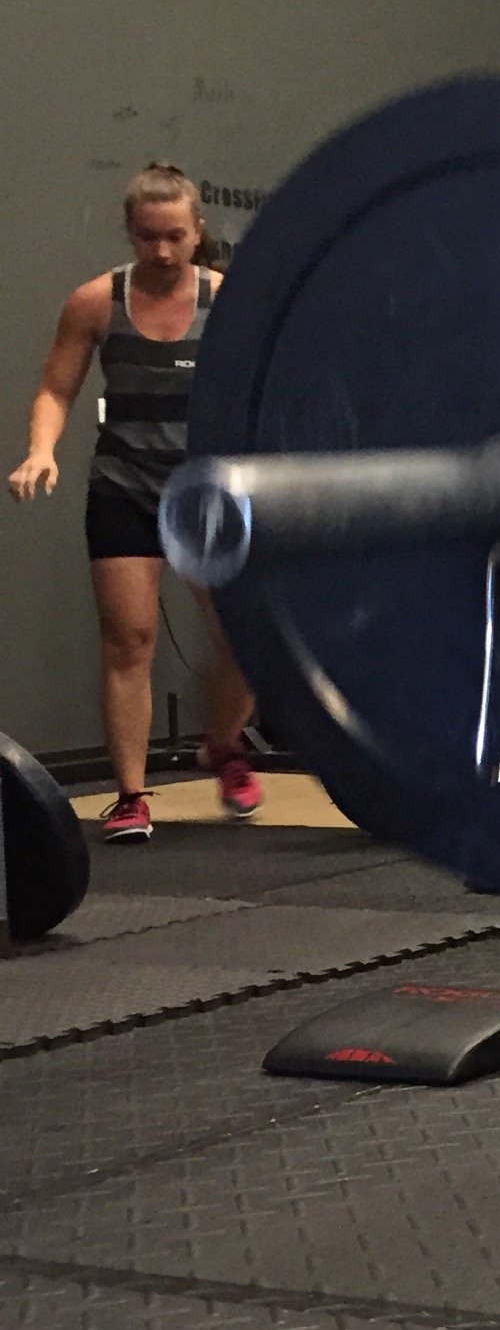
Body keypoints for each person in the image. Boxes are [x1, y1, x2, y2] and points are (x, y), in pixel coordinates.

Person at [8, 164, 261, 841]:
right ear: (130, 232)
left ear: (197, 231)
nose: (163, 250)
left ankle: (224, 746)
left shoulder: (229, 302)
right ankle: (129, 795)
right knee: (129, 641)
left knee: (245, 632)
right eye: (149, 237)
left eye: (175, 236)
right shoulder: (96, 302)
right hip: (125, 487)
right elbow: (56, 388)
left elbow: (265, 387)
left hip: (206, 493)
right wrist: (41, 450)